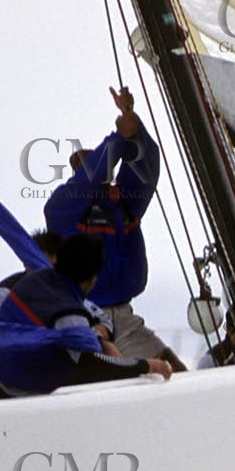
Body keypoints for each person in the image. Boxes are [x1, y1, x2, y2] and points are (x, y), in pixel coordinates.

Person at [44, 86, 186, 371]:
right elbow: (87, 181)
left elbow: (144, 171)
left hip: (123, 318)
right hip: (83, 316)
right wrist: (118, 139)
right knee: (109, 380)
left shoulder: (121, 205)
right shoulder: (61, 209)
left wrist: (133, 129)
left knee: (177, 374)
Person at [0, 233, 171, 389]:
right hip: (2, 385)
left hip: (14, 374)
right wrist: (147, 366)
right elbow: (91, 364)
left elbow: (96, 318)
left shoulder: (53, 287)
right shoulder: (10, 296)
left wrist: (101, 336)